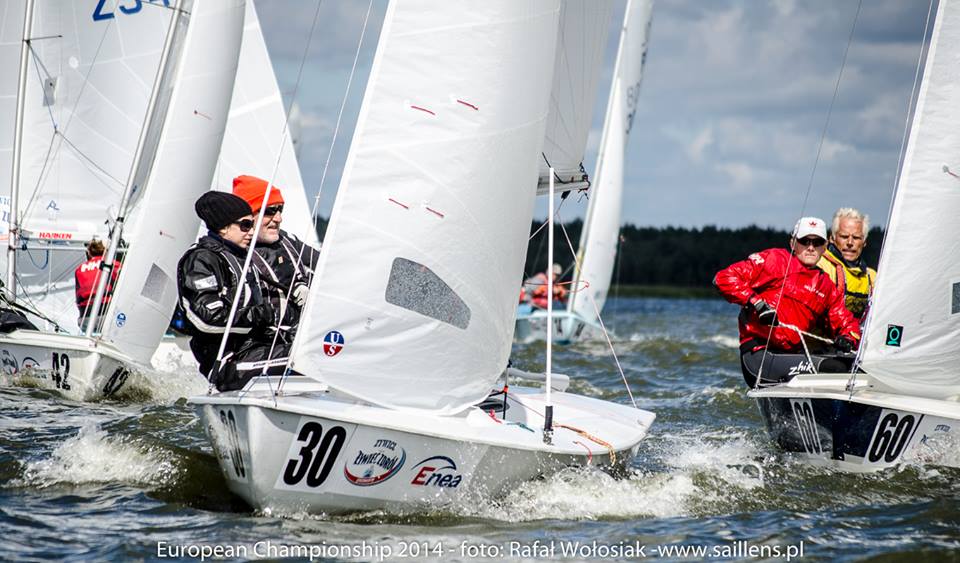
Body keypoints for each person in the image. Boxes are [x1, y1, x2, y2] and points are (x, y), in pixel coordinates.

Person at [713, 217, 861, 387]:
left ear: (825, 247)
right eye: (804, 241)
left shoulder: (826, 285)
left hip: (791, 356)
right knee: (836, 368)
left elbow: (846, 322)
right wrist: (757, 304)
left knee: (855, 367)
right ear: (793, 243)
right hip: (759, 356)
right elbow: (723, 278)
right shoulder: (775, 260)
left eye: (817, 242)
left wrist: (848, 338)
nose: (811, 247)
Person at [176, 192, 287, 392]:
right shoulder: (201, 260)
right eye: (245, 225)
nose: (251, 232)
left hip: (256, 351)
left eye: (252, 225)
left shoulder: (241, 258)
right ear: (223, 227)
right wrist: (262, 315)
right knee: (304, 359)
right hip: (230, 364)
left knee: (314, 349)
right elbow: (207, 319)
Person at [232, 175, 320, 338]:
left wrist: (305, 284)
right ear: (247, 216)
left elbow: (327, 266)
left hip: (302, 337)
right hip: (261, 343)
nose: (279, 218)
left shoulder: (287, 240)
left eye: (280, 209)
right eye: (269, 211)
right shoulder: (233, 252)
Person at [817, 208, 877, 325]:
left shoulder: (872, 277)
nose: (850, 242)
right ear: (832, 239)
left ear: (864, 242)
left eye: (856, 237)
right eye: (844, 236)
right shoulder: (821, 266)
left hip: (856, 334)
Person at [75, 238, 122, 331]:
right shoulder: (114, 265)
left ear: (89, 253)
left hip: (85, 317)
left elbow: (78, 295)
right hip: (107, 315)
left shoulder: (79, 269)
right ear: (107, 251)